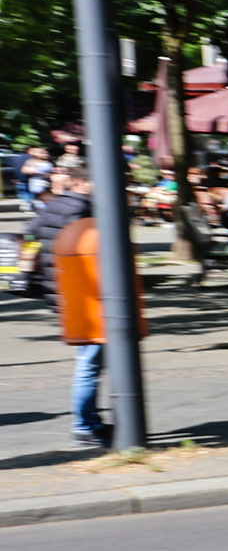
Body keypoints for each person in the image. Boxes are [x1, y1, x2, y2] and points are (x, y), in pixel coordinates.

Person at [25, 159, 116, 446]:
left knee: (91, 359)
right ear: (80, 182)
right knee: (90, 361)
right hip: (86, 294)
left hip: (61, 292)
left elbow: (29, 233)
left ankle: (92, 421)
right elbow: (94, 251)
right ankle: (85, 425)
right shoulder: (82, 209)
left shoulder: (53, 205)